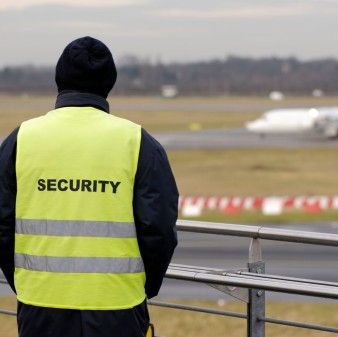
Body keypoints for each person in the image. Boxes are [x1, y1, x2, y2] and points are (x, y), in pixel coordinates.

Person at [0, 36, 178, 337]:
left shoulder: (21, 139)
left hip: (40, 304)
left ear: (59, 79)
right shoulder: (138, 142)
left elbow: (3, 226)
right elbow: (159, 230)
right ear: (110, 82)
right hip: (118, 305)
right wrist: (141, 288)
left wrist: (24, 282)